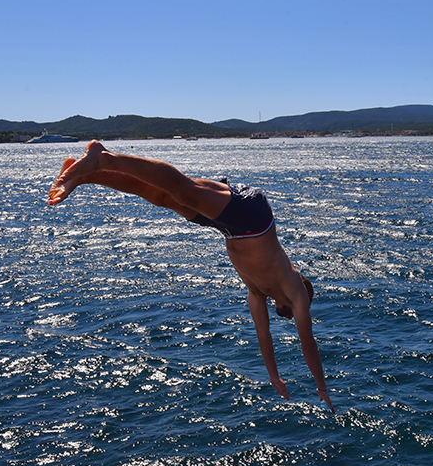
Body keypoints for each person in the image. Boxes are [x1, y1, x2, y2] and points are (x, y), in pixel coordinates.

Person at [48, 141, 335, 413]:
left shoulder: (258, 292)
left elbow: (263, 335)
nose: (290, 315)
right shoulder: (295, 288)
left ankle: (86, 175)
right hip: (253, 215)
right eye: (292, 312)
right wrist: (322, 387)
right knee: (183, 192)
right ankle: (103, 157)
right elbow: (307, 342)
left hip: (231, 227)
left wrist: (273, 375)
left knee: (161, 197)